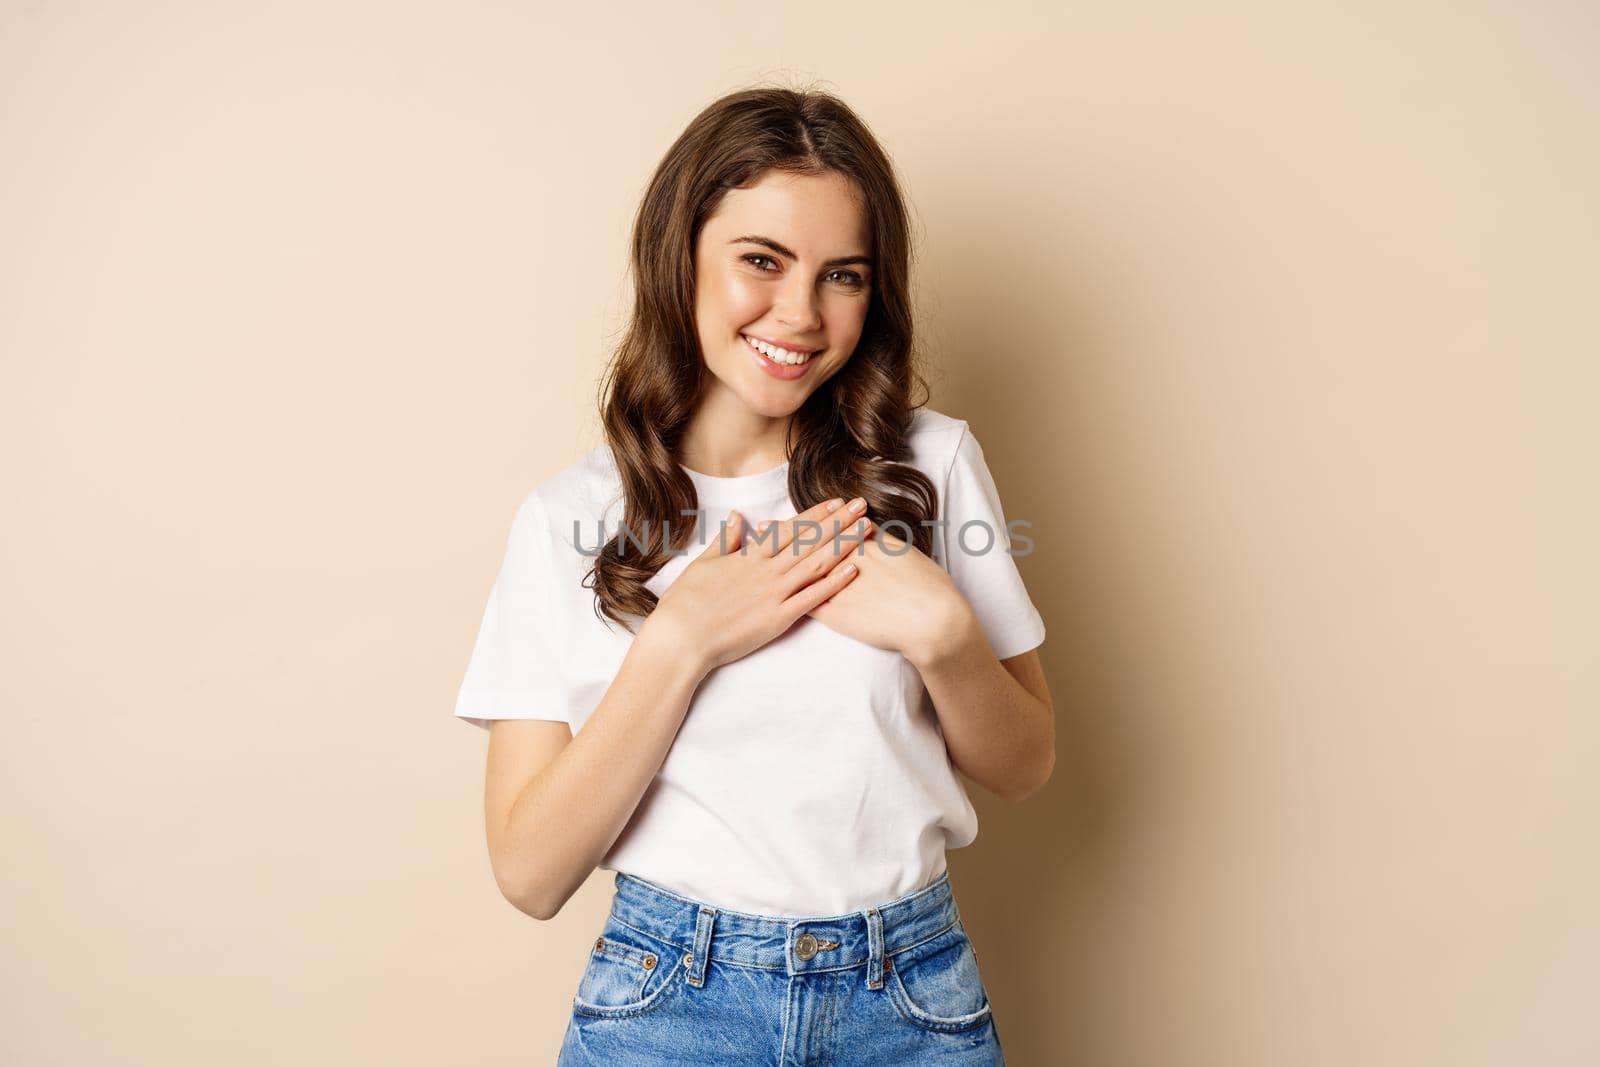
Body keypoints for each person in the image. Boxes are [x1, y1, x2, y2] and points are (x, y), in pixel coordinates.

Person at [453, 86, 1053, 1066]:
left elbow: (1025, 762)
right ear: (679, 254)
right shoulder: (565, 517)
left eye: (843, 275)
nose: (800, 312)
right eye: (762, 261)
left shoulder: (930, 467)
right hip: (665, 1003)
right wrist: (681, 642)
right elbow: (529, 871)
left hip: (904, 997)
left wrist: (944, 637)